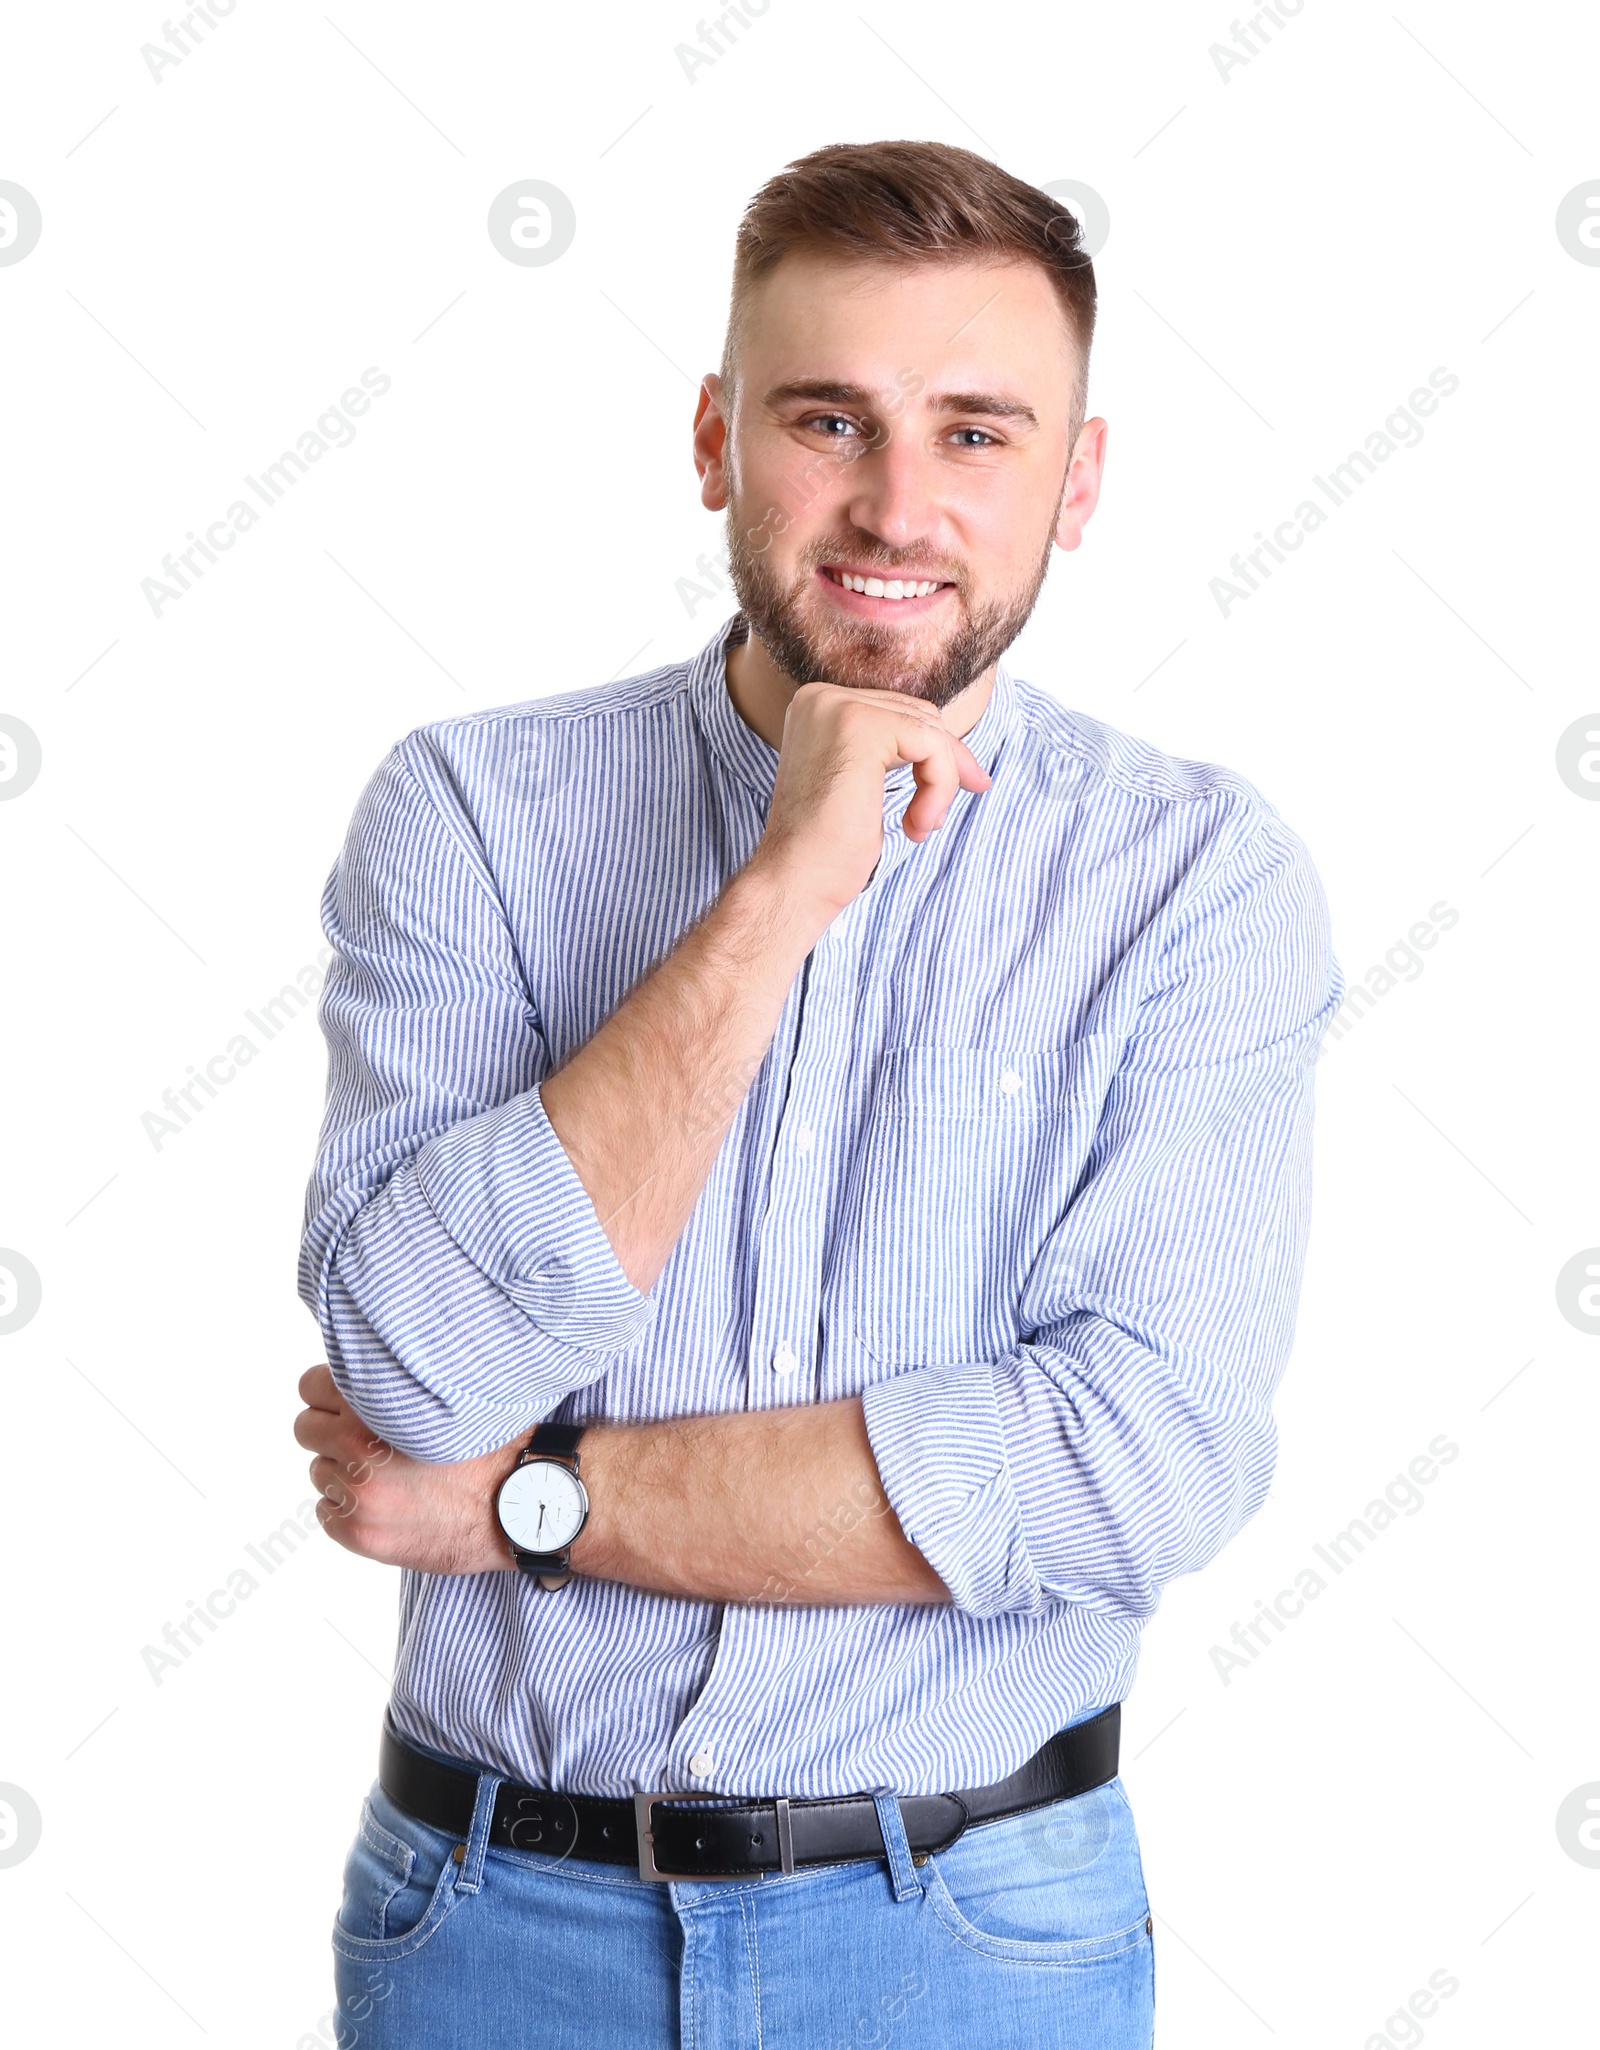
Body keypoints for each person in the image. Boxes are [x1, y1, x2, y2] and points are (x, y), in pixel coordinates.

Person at [294, 138, 1343, 2048]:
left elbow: (1132, 1459)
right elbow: (414, 1377)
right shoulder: (469, 815)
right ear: (714, 439)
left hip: (967, 1936)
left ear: (1076, 483)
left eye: (975, 432)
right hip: (497, 1929)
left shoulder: (1196, 881)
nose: (895, 503)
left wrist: (531, 1503)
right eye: (828, 418)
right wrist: (777, 896)